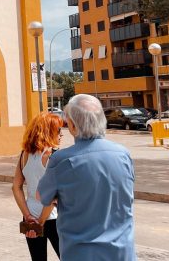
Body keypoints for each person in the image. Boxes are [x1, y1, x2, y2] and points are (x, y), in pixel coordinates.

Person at [36, 94, 135, 260]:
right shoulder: (123, 154)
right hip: (122, 252)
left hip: (81, 253)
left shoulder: (61, 160)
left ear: (73, 126)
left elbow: (41, 196)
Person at [12, 113, 61, 260]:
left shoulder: (24, 154)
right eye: (58, 131)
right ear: (49, 132)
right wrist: (40, 221)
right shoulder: (54, 156)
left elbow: (16, 187)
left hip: (30, 215)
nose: (60, 135)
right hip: (53, 217)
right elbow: (53, 195)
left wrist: (28, 216)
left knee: (38, 258)